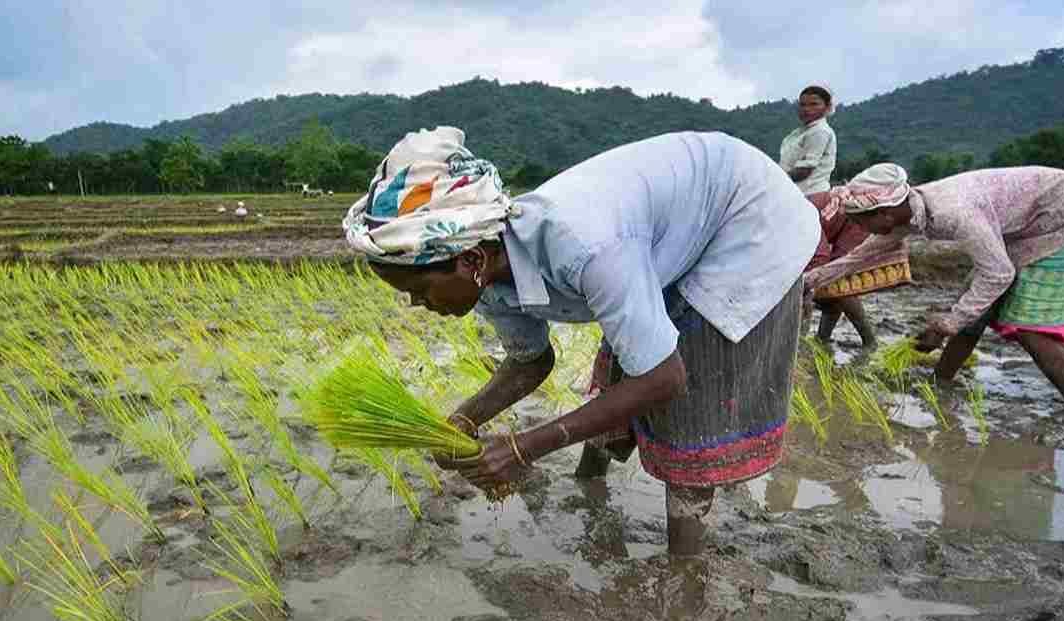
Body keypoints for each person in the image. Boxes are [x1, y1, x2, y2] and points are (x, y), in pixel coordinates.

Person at [343, 127, 820, 555]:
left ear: (469, 260)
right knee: (621, 368)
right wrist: (465, 420)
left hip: (745, 217)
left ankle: (686, 574)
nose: (417, 304)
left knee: (686, 400)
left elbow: (663, 378)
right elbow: (531, 361)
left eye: (419, 290)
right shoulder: (486, 271)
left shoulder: (585, 246)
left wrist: (523, 447)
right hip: (669, 230)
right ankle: (591, 488)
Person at [805, 163, 1064, 403]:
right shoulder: (908, 213)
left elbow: (999, 274)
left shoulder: (952, 213)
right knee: (972, 307)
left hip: (1061, 220)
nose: (861, 230)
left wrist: (947, 325)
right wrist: (807, 282)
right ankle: (939, 384)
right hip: (1027, 227)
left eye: (859, 223)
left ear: (883, 214)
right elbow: (859, 257)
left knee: (1031, 329)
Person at [804, 192, 879, 346]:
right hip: (841, 221)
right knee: (829, 288)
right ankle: (822, 339)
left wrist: (806, 292)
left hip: (855, 221)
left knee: (838, 283)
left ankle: (869, 340)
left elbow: (820, 258)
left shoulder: (801, 221)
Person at [779, 86, 837, 195]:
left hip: (810, 193)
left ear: (827, 107)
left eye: (814, 104)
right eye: (802, 105)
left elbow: (805, 169)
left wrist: (776, 179)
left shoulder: (820, 131)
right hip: (797, 191)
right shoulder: (802, 132)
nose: (806, 109)